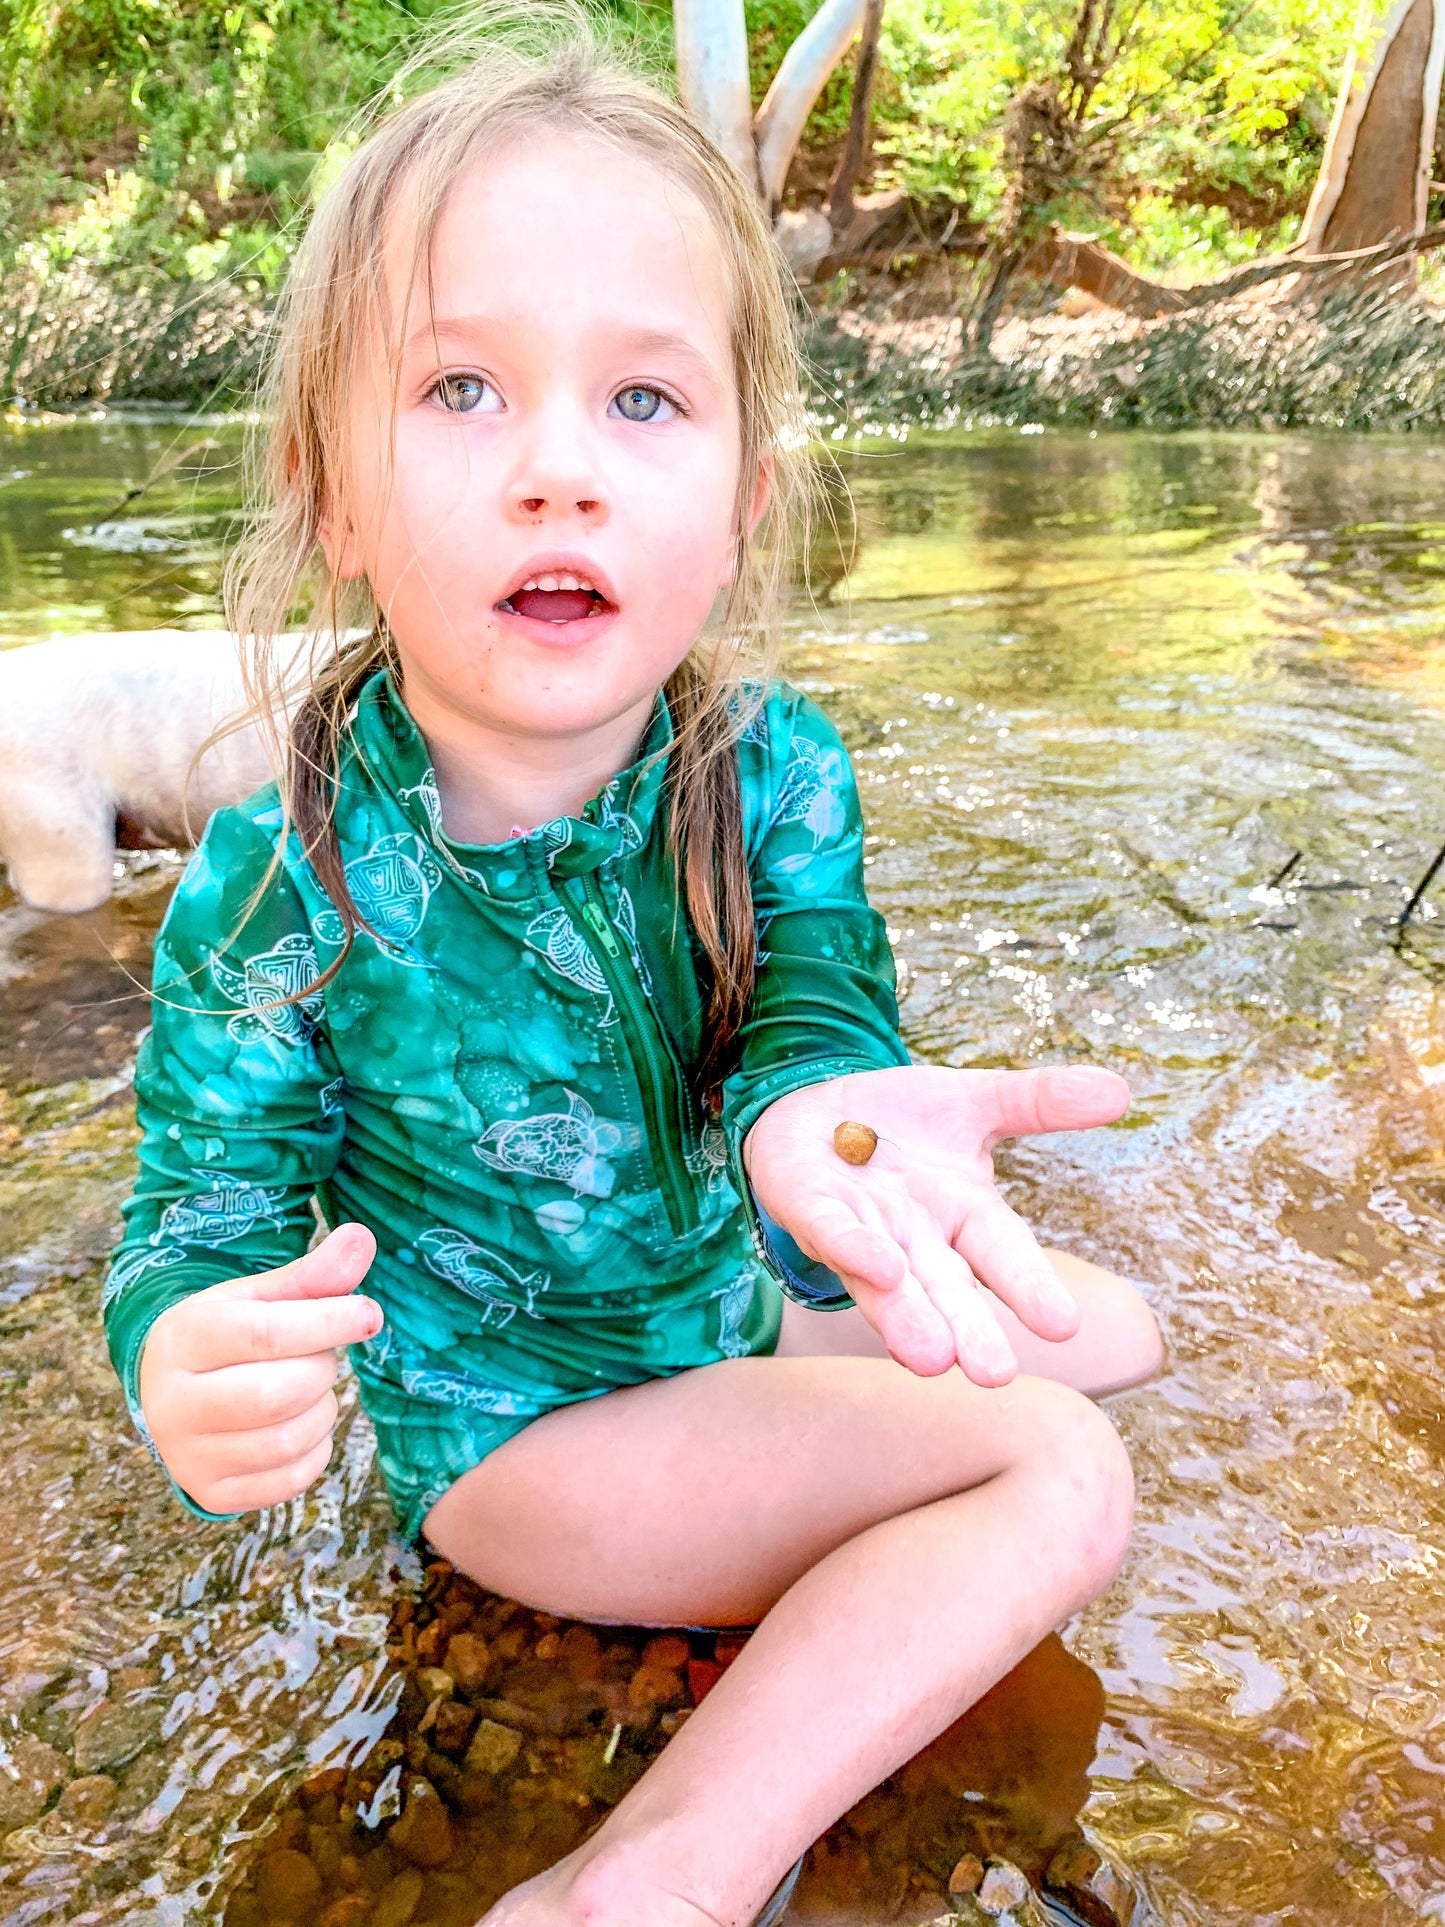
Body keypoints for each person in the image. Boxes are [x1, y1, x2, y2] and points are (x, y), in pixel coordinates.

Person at [103, 11, 1162, 1923]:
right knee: (1058, 1472)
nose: (559, 472)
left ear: (747, 494)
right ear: (329, 495)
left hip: (713, 1315)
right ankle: (650, 1879)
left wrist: (827, 1136)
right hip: (522, 1443)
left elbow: (817, 1017)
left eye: (645, 403)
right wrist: (186, 1354)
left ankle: (801, 1577)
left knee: (1111, 1330)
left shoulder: (772, 767)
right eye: (460, 391)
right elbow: (202, 1203)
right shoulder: (285, 875)